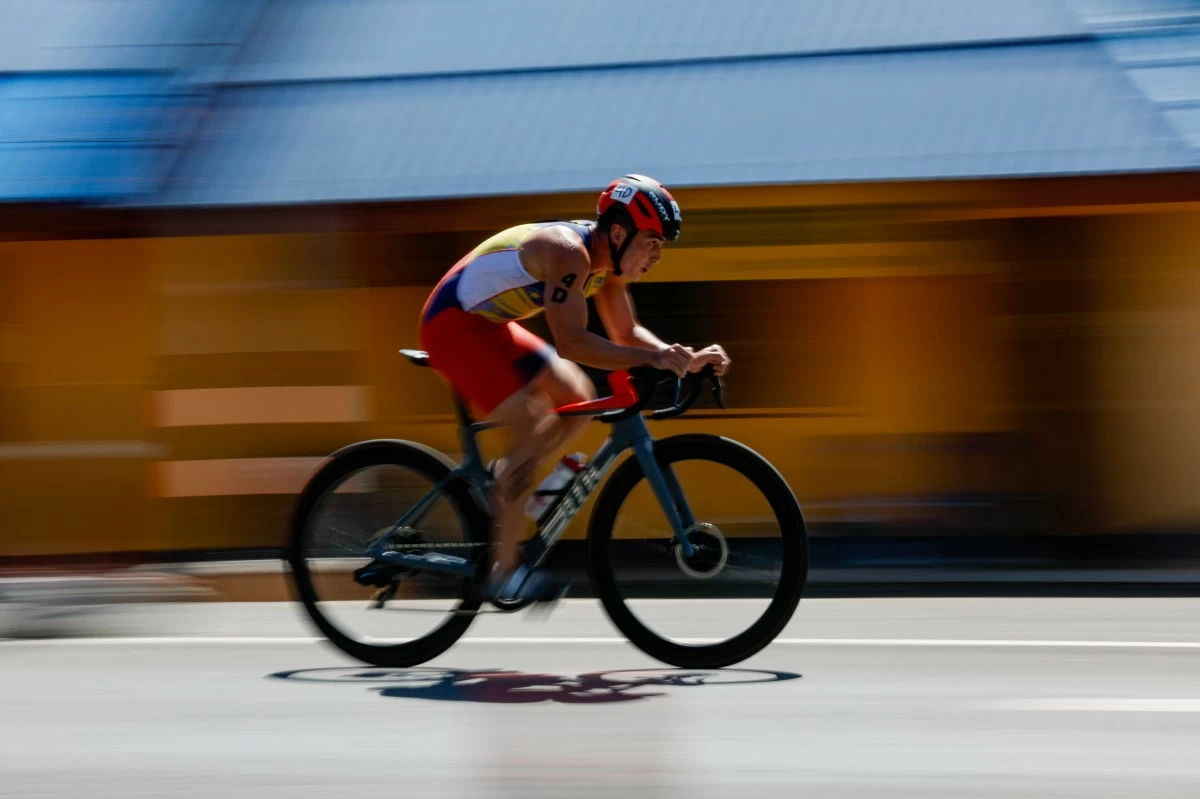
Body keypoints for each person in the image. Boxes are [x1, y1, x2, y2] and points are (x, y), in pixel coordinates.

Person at [418, 174, 731, 602]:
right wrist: (655, 360)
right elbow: (571, 342)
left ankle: (511, 485)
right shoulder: (570, 253)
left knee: (579, 397)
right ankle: (502, 572)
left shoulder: (607, 266)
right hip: (452, 328)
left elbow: (626, 332)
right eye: (652, 242)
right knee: (530, 423)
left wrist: (682, 357)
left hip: (492, 327)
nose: (658, 255)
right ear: (619, 233)